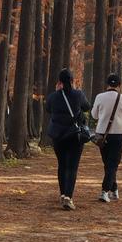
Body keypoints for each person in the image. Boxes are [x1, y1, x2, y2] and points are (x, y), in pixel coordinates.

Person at [46, 68, 91, 210]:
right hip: (74, 136)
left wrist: (57, 91)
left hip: (58, 136)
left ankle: (62, 194)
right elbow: (86, 107)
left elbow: (48, 109)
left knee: (62, 165)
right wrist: (76, 90)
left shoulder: (53, 96)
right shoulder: (78, 95)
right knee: (72, 166)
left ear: (59, 82)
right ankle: (68, 196)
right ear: (72, 81)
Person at [91, 73, 122, 203]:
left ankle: (110, 190)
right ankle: (108, 191)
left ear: (107, 84)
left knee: (108, 163)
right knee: (112, 163)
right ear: (119, 85)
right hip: (119, 133)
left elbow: (94, 115)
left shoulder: (100, 97)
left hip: (102, 134)